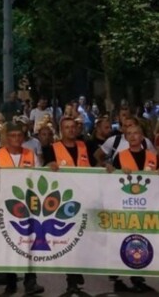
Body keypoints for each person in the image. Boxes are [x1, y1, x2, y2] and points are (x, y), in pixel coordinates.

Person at [0, 122, 44, 296]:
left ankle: (31, 282)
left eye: (19, 136)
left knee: (29, 244)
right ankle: (10, 283)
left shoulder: (31, 154)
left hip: (28, 206)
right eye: (12, 136)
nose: (16, 139)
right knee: (9, 243)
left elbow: (40, 175)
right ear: (6, 137)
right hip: (5, 206)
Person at [43, 117, 96, 294]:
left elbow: (98, 167)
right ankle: (71, 278)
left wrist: (108, 167)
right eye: (67, 127)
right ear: (61, 130)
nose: (71, 130)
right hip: (64, 201)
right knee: (69, 238)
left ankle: (78, 268)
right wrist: (48, 165)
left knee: (84, 239)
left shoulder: (86, 146)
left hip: (85, 198)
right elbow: (44, 170)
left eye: (73, 127)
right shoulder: (52, 149)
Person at [104, 123, 159, 294]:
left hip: (146, 206)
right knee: (122, 238)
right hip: (124, 205)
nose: (134, 136)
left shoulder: (152, 157)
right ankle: (118, 269)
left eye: (137, 133)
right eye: (130, 134)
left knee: (139, 239)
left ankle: (137, 275)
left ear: (143, 137)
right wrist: (111, 170)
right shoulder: (120, 156)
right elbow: (110, 178)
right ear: (126, 138)